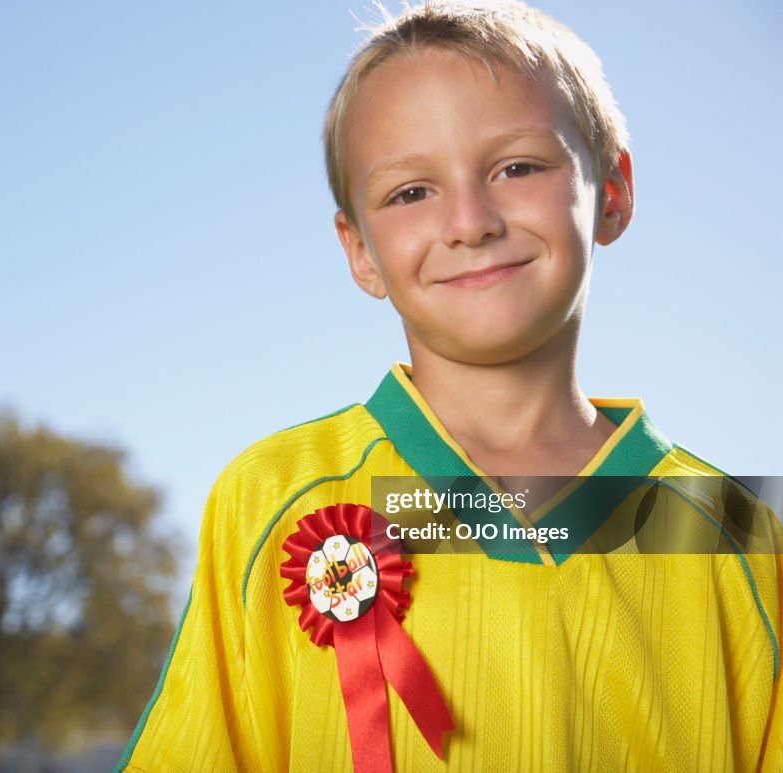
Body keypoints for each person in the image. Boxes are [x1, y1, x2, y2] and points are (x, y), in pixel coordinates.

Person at [116, 2, 782, 770]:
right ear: (359, 251)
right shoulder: (269, 498)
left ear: (614, 190)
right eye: (411, 192)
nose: (470, 221)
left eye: (518, 167)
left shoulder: (742, 537)